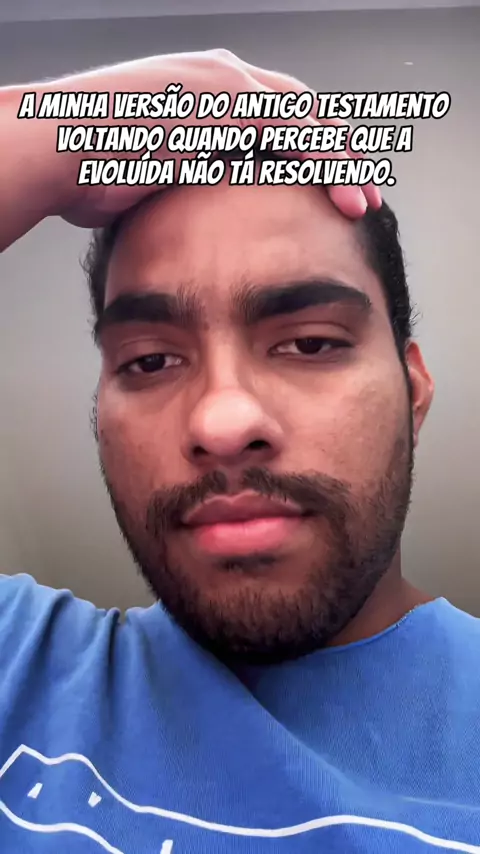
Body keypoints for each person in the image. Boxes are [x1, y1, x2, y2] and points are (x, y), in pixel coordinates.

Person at [0, 50, 478, 854]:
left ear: (413, 388)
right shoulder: (21, 667)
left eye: (311, 343)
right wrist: (33, 132)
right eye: (150, 360)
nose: (222, 420)